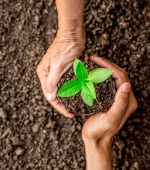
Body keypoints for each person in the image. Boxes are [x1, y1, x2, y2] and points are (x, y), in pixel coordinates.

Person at [36, 1, 138, 169]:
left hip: (85, 78)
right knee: (89, 91)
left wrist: (70, 35)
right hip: (86, 80)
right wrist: (96, 140)